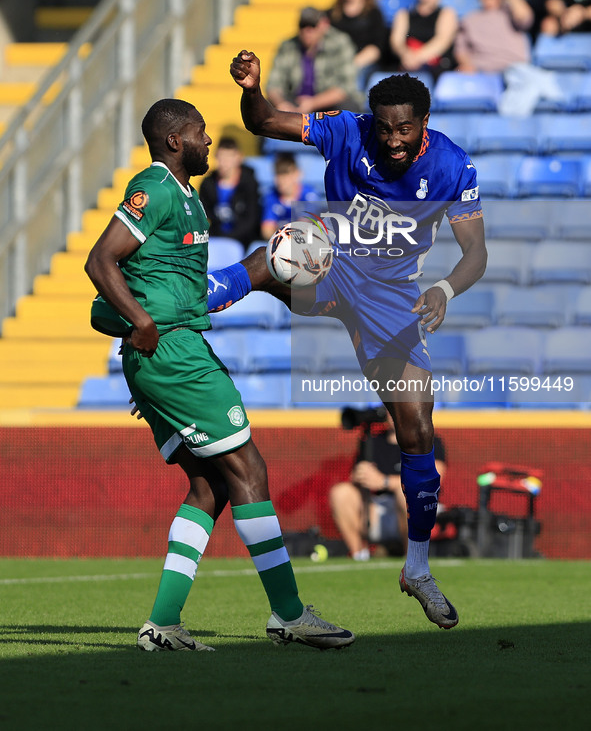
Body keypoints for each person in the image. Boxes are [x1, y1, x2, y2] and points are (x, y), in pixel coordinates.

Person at [213, 50, 489, 630]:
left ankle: (417, 568)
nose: (392, 139)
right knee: (283, 251)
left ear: (424, 124)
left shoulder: (452, 167)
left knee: (417, 431)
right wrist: (253, 87)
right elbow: (264, 121)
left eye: (404, 128)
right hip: (333, 267)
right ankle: (195, 301)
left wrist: (443, 289)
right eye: (385, 127)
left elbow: (475, 253)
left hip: (394, 300)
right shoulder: (346, 130)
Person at [85, 98, 354, 652]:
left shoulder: (191, 201)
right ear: (176, 140)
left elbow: (181, 288)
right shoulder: (155, 188)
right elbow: (99, 259)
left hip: (171, 349)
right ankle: (289, 613)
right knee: (247, 468)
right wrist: (140, 327)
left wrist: (276, 279)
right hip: (172, 352)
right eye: (201, 133)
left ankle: (162, 623)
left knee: (208, 486)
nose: (210, 142)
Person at [330, 411, 447, 562]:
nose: (396, 414)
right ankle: (359, 555)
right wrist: (361, 475)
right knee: (340, 492)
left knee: (405, 491)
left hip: (416, 509)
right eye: (391, 409)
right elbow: (356, 479)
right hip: (377, 509)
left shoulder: (427, 441)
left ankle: (413, 560)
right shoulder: (373, 442)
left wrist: (384, 481)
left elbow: (431, 479)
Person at [266, 5, 364, 114]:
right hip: (295, 102)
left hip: (328, 104)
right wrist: (281, 104)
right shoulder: (287, 46)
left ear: (324, 25)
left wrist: (312, 103)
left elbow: (345, 88)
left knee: (348, 108)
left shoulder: (340, 43)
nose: (307, 30)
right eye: (303, 25)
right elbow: (273, 85)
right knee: (267, 107)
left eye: (312, 25)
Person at [453, 0, 535, 73]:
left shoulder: (511, 12)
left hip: (514, 69)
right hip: (482, 71)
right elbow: (461, 50)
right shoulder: (469, 19)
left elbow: (525, 18)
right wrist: (466, 64)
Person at [389, 0, 458, 82]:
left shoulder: (447, 14)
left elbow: (442, 41)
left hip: (435, 69)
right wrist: (406, 56)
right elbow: (397, 42)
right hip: (408, 66)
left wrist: (417, 58)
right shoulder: (404, 14)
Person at [326, 0, 389, 88]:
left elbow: (376, 49)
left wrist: (351, 65)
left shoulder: (373, 14)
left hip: (362, 64)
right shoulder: (331, 15)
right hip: (335, 63)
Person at [198, 136, 261, 251]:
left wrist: (228, 239)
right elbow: (202, 216)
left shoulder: (250, 183)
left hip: (244, 241)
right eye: (221, 158)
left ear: (238, 158)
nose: (224, 163)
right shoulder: (208, 184)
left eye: (228, 158)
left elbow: (251, 220)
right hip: (215, 239)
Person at [260, 152, 320, 240]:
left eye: (286, 174)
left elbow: (304, 227)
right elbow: (266, 231)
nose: (281, 180)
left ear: (297, 174)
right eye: (278, 175)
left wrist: (280, 231)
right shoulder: (271, 196)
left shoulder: (309, 195)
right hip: (280, 242)